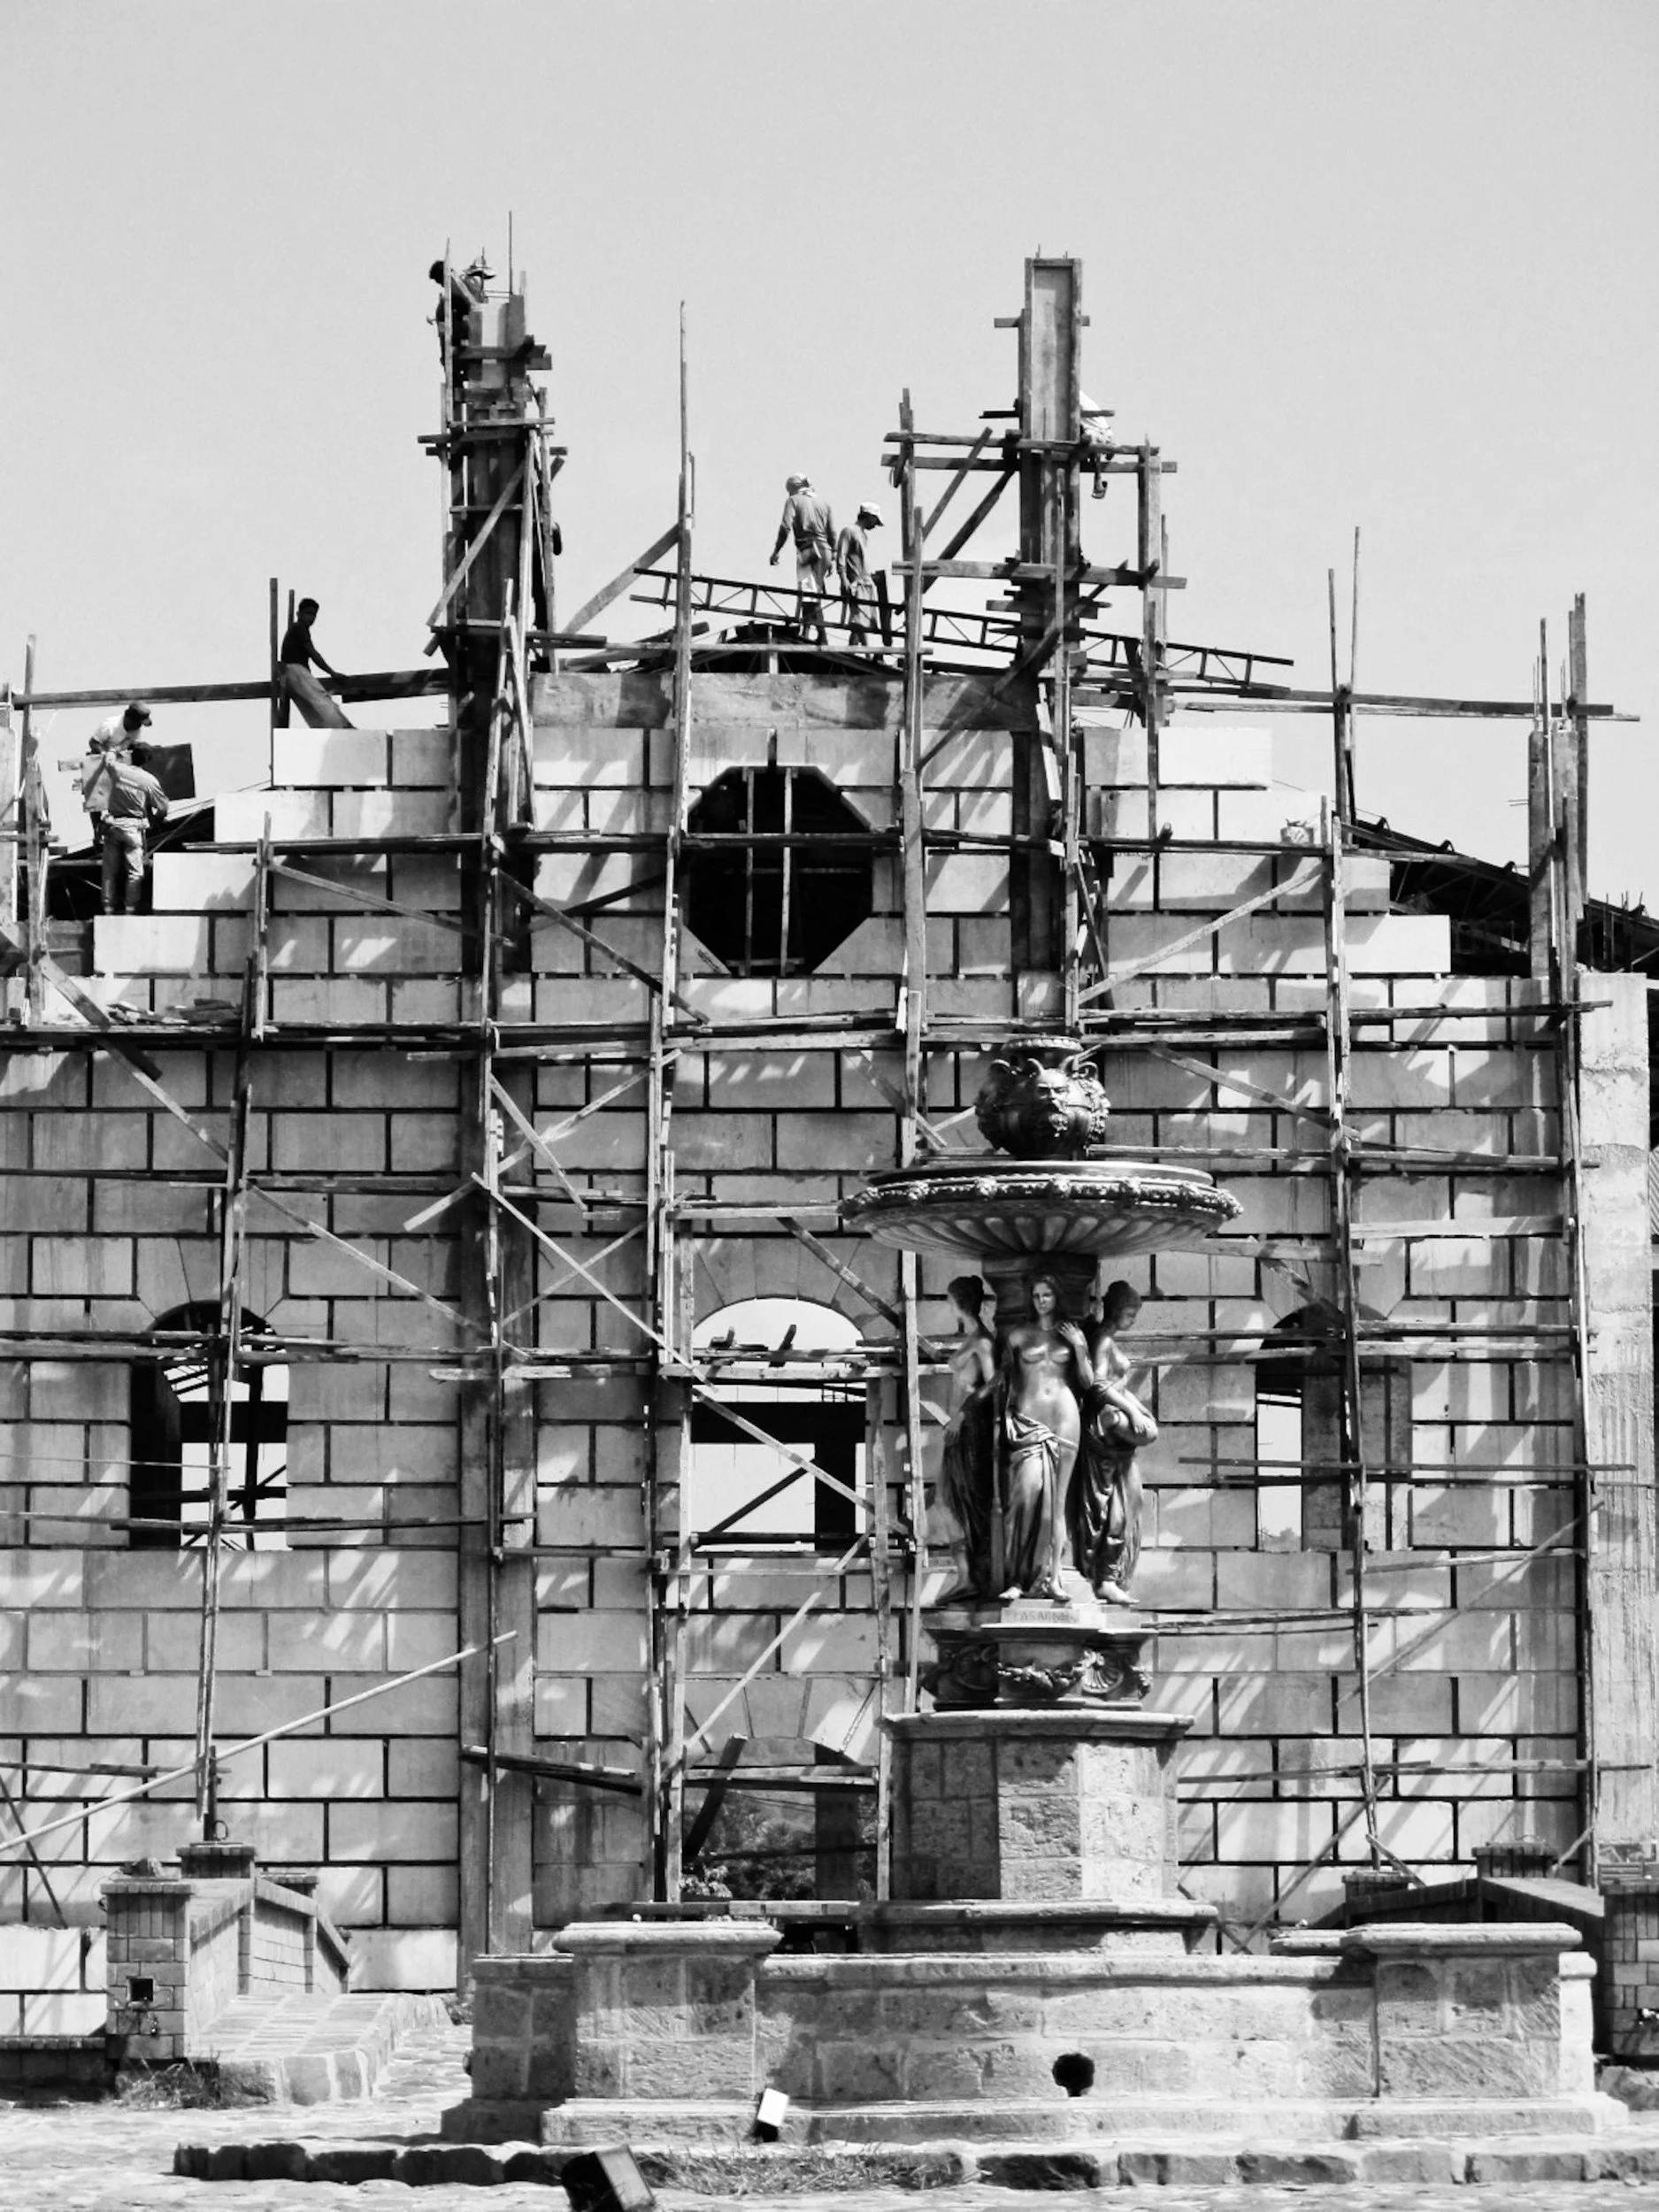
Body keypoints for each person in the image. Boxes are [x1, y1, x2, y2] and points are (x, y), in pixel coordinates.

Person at [997, 1272, 1094, 1601]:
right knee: (1023, 1498)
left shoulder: (1071, 1334)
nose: (1041, 1301)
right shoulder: (1017, 1335)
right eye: (1036, 1295)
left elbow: (1088, 1381)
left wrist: (1080, 1349)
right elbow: (1004, 1380)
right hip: (1028, 1421)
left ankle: (1054, 1578)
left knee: (1057, 1505)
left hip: (1064, 1418)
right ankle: (1017, 1578)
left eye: (1047, 1295)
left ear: (1057, 1298)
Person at [1071, 1279, 1157, 1602]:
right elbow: (1098, 1386)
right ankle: (1102, 1576)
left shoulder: (1102, 1336)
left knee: (1129, 1503)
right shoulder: (1104, 1339)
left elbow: (1116, 1385)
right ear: (1117, 1310)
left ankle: (1108, 1574)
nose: (1132, 1320)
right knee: (1113, 1509)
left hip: (1116, 1436)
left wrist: (1138, 1411)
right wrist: (1133, 1414)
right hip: (1102, 1431)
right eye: (1130, 1313)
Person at [935, 1275, 997, 1601]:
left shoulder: (983, 1341)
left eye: (949, 1299)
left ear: (959, 1302)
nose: (948, 1305)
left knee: (955, 1500)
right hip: (958, 1429)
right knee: (948, 1500)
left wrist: (961, 1414)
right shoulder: (974, 1337)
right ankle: (966, 1575)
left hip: (971, 1430)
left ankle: (971, 1576)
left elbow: (994, 1383)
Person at [98, 741, 169, 916]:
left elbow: (107, 760)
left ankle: (108, 909)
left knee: (109, 872)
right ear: (147, 760)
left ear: (131, 755)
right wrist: (156, 819)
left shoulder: (118, 770)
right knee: (135, 873)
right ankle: (130, 910)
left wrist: (114, 749)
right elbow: (163, 807)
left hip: (113, 826)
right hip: (133, 829)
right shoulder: (149, 781)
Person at [769, 474, 836, 646]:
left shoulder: (793, 500)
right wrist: (833, 556)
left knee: (808, 594)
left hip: (808, 549)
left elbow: (785, 526)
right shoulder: (823, 503)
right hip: (826, 550)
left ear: (792, 488)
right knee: (813, 593)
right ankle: (806, 631)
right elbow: (832, 532)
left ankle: (821, 635)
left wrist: (776, 551)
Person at [82, 703, 152, 845]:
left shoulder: (135, 729)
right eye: (138, 722)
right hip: (102, 760)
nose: (139, 726)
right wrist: (105, 755)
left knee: (142, 773)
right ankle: (97, 830)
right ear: (129, 718)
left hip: (121, 760)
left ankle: (148, 816)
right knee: (95, 791)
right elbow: (93, 742)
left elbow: (133, 744)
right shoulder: (111, 725)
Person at [279, 598, 354, 728]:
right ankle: (342, 726)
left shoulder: (299, 629)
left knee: (311, 708)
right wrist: (332, 673)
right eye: (308, 613)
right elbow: (313, 654)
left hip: (290, 674)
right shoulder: (299, 628)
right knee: (322, 699)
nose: (311, 618)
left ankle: (328, 731)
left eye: (314, 615)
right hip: (294, 670)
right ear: (298, 614)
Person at [835, 503, 883, 647]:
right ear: (869, 517)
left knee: (864, 622)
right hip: (855, 583)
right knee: (858, 621)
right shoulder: (849, 531)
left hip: (866, 583)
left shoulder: (863, 536)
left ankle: (854, 652)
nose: (875, 525)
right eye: (875, 520)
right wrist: (843, 578)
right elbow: (841, 556)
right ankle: (867, 653)